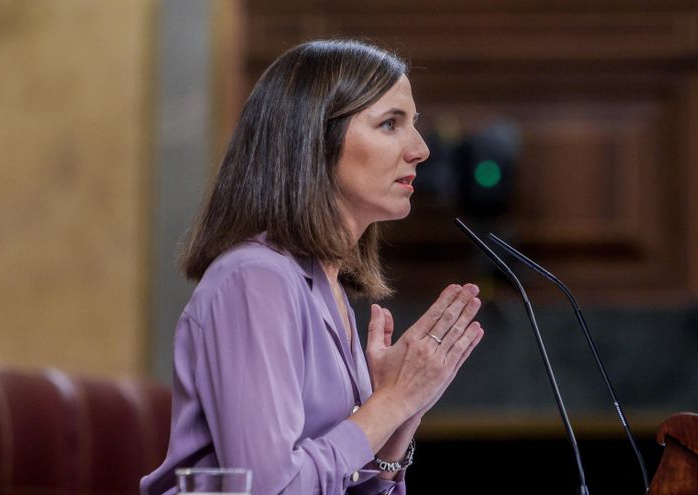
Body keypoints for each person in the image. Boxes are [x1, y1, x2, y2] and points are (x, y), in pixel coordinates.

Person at [140, 39, 484, 495]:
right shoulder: (254, 279)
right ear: (314, 140)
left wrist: (402, 416)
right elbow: (268, 489)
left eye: (413, 125)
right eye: (389, 124)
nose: (420, 149)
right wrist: (390, 401)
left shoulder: (325, 285)